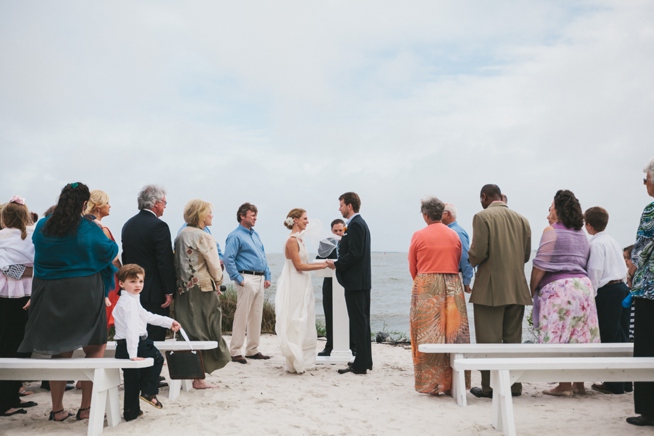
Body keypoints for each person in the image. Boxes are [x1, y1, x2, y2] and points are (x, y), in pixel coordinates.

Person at [18, 182, 118, 422]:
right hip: (84, 291)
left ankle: (57, 409)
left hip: (52, 291)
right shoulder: (89, 227)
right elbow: (110, 251)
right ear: (84, 204)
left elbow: (40, 256)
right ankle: (86, 409)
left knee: (60, 351)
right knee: (94, 348)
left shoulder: (43, 225)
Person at [530, 190, 600, 396]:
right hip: (583, 287)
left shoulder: (550, 231)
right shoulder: (581, 234)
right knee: (580, 334)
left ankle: (563, 384)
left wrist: (531, 289)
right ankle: (579, 383)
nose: (548, 214)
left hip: (560, 288)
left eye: (550, 208)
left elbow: (540, 265)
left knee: (560, 334)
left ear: (558, 211)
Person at [468, 184, 531, 398]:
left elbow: (478, 253)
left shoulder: (482, 217)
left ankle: (490, 387)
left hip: (490, 289)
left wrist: (469, 258)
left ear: (484, 197)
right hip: (517, 286)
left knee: (488, 340)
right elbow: (525, 255)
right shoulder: (522, 219)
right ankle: (513, 386)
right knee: (513, 340)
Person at [408, 196, 470, 395]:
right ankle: (453, 381)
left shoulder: (419, 235)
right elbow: (461, 259)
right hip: (452, 283)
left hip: (427, 283)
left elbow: (413, 265)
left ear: (426, 216)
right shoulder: (454, 235)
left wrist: (423, 281)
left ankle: (431, 383)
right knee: (453, 334)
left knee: (428, 333)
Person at [174, 199, 231, 388]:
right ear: (200, 214)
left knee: (189, 329)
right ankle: (200, 377)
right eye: (209, 212)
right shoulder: (204, 236)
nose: (212, 215)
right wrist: (219, 282)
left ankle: (193, 374)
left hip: (183, 289)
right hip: (203, 288)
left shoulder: (181, 235)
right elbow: (214, 266)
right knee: (207, 328)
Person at [113, 264, 180, 421]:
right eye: (133, 281)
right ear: (121, 283)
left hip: (123, 346)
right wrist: (133, 355)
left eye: (141, 281)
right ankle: (149, 391)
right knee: (158, 359)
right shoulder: (129, 302)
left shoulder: (130, 300)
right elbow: (131, 329)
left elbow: (148, 316)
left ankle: (131, 412)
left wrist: (169, 322)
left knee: (131, 380)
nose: (138, 285)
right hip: (137, 345)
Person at [584, 206, 631, 395]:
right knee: (622, 336)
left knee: (610, 336)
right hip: (621, 287)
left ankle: (613, 383)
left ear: (588, 225)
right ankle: (627, 382)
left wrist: (591, 295)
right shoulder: (612, 240)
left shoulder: (595, 244)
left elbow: (594, 272)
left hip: (608, 291)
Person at [275, 209, 328, 373]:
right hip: (295, 282)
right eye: (305, 219)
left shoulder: (301, 240)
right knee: (296, 317)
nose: (307, 221)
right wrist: (321, 265)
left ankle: (306, 359)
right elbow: (298, 266)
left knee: (306, 316)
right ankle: (295, 359)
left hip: (304, 282)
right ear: (295, 220)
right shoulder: (292, 240)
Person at [121, 185, 176, 342]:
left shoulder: (128, 224)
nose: (165, 206)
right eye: (165, 202)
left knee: (134, 333)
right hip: (154, 291)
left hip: (132, 288)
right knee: (154, 335)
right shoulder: (159, 226)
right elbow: (164, 261)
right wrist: (169, 290)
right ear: (156, 203)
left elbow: (126, 256)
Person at [327, 192, 373, 375]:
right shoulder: (357, 224)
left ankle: (361, 364)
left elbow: (355, 253)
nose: (339, 208)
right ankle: (364, 360)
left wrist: (336, 264)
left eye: (341, 205)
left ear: (350, 206)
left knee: (358, 322)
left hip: (356, 282)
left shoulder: (356, 225)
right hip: (360, 282)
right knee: (362, 322)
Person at [0, 197, 37, 417]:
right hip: (26, 293)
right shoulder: (31, 237)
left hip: (6, 293)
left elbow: (5, 269)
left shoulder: (1, 237)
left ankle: (10, 397)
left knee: (7, 343)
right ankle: (8, 399)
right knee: (18, 345)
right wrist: (33, 272)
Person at [224, 202, 272, 363]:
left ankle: (252, 349)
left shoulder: (255, 235)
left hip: (259, 278)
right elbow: (228, 259)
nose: (255, 218)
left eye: (255, 215)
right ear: (242, 216)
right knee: (242, 315)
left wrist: (268, 275)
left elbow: (262, 256)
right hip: (246, 278)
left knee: (256, 315)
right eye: (252, 215)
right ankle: (235, 351)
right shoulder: (235, 236)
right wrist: (239, 279)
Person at [626, 157, 654, 427]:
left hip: (650, 291)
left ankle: (649, 409)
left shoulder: (651, 210)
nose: (645, 184)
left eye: (645, 179)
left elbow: (643, 249)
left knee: (646, 347)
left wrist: (632, 272)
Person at [85, 190, 122, 327]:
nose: (109, 206)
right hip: (107, 280)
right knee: (103, 322)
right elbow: (113, 259)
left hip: (89, 279)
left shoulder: (84, 227)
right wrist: (123, 274)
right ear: (98, 206)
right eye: (107, 203)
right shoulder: (102, 230)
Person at [316, 218, 345, 357]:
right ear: (331, 231)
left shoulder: (351, 241)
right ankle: (329, 346)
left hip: (346, 285)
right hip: (329, 285)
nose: (339, 233)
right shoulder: (325, 243)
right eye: (336, 231)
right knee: (330, 317)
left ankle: (352, 345)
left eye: (341, 230)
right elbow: (318, 259)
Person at [441, 203, 473, 294]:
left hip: (454, 276)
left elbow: (465, 257)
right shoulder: (450, 231)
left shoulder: (456, 232)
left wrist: (466, 282)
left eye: (441, 212)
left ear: (448, 214)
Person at [623, 245, 636, 342]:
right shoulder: (627, 276)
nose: (626, 261)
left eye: (628, 258)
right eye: (624, 258)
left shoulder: (636, 277)